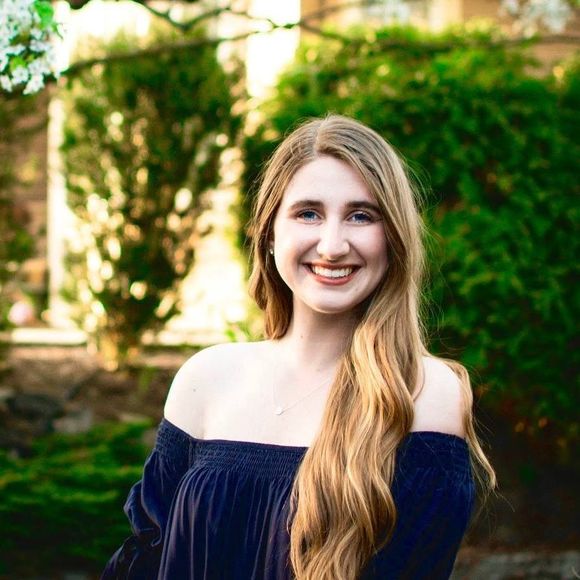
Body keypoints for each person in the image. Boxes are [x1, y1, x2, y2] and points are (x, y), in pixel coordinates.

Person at [101, 115, 496, 580]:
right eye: (308, 213)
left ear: (393, 238)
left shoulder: (424, 393)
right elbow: (144, 558)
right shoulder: (205, 379)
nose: (332, 245)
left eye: (361, 215)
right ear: (269, 233)